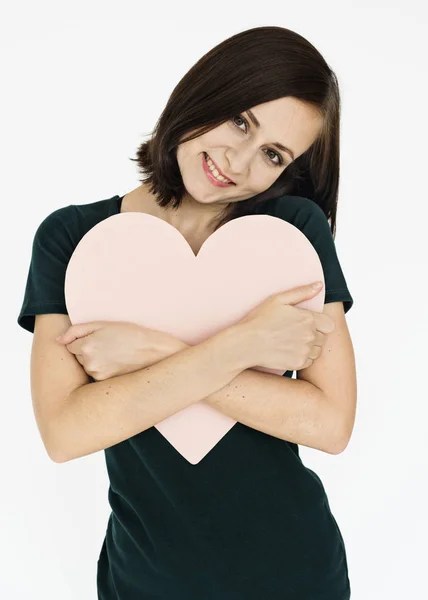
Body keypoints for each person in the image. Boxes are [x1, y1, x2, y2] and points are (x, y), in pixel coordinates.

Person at [17, 25, 357, 600]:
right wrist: (243, 346)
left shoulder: (291, 233)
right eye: (241, 121)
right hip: (144, 579)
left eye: (273, 153)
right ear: (206, 93)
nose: (239, 161)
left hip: (295, 575)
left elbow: (330, 424)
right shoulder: (74, 239)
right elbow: (66, 432)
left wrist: (156, 351)